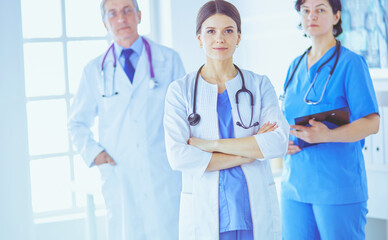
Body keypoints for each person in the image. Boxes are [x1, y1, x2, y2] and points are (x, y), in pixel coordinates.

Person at [163, 1, 289, 239]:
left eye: (228, 31)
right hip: (206, 210)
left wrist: (211, 145)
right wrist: (251, 150)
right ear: (199, 38)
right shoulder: (180, 91)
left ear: (238, 37)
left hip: (253, 207)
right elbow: (178, 156)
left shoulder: (259, 85)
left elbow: (278, 143)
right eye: (210, 31)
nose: (219, 39)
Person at [67, 0, 185, 239]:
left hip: (163, 170)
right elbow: (76, 123)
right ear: (104, 22)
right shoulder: (94, 70)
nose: (121, 18)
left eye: (127, 10)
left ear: (139, 15)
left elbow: (187, 115)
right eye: (113, 13)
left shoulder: (169, 60)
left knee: (170, 230)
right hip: (121, 173)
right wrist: (94, 153)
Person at [280, 0, 380, 239]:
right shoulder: (295, 66)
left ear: (336, 16)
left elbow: (372, 122)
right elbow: (286, 119)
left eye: (320, 9)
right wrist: (282, 140)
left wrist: (328, 135)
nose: (311, 16)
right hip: (294, 186)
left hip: (337, 187)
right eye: (305, 11)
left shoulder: (351, 63)